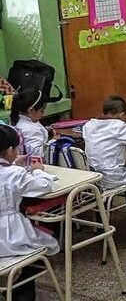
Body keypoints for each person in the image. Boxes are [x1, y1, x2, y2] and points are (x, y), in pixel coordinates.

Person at [0, 125, 60, 300]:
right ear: (11, 150)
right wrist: (38, 171)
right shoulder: (14, 173)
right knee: (48, 247)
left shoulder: (12, 171)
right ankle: (21, 290)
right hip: (10, 236)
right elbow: (44, 186)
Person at [11, 89, 51, 157]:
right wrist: (53, 142)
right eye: (42, 111)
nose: (43, 113)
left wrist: (45, 131)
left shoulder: (17, 120)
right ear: (30, 110)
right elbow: (36, 153)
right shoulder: (31, 129)